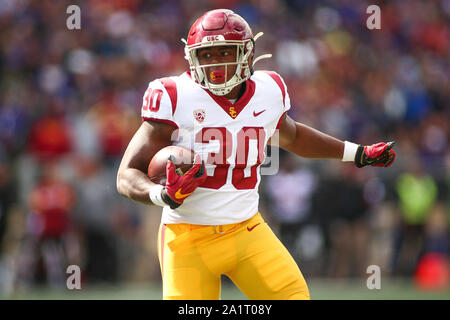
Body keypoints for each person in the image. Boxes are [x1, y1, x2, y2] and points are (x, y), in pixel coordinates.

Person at [116, 9, 396, 300]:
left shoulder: (267, 90)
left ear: (247, 54)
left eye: (224, 52)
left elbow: (294, 136)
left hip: (246, 231)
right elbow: (126, 175)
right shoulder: (174, 95)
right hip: (186, 238)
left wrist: (357, 153)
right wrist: (162, 195)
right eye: (207, 54)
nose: (215, 64)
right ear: (192, 57)